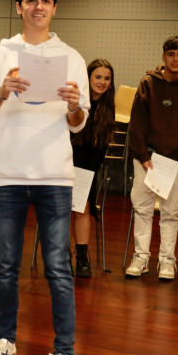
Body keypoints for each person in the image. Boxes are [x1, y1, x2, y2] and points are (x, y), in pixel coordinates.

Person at [0, 0, 89, 355]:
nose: (38, 6)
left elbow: (78, 124)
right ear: (19, 6)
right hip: (6, 175)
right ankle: (6, 343)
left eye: (46, 0)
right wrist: (1, 93)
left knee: (58, 268)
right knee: (5, 268)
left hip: (54, 174)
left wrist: (75, 106)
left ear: (55, 8)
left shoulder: (71, 57)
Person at [125, 36, 178, 281]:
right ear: (163, 57)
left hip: (174, 162)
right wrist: (143, 155)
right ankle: (141, 257)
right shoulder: (148, 83)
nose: (175, 59)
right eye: (171, 54)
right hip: (146, 159)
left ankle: (167, 260)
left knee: (170, 214)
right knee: (143, 210)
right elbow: (136, 123)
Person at [70, 58, 116, 277]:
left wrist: (86, 176)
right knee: (59, 210)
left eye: (107, 78)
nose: (102, 82)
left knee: (83, 208)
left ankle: (81, 255)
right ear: (88, 77)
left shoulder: (109, 107)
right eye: (98, 77)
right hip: (64, 163)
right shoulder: (78, 101)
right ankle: (59, 254)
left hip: (87, 168)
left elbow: (101, 148)